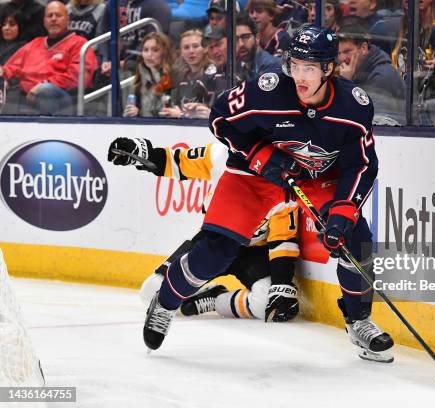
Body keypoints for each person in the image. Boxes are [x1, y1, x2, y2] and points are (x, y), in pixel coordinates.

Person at [143, 24, 394, 363]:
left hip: (316, 179)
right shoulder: (268, 90)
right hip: (254, 175)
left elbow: (361, 165)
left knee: (355, 239)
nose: (300, 76)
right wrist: (260, 156)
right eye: (295, 65)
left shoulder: (353, 107)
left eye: (309, 68)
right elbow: (220, 118)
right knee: (217, 251)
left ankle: (358, 320)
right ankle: (166, 302)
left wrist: (344, 210)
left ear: (329, 69)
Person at [107, 137, 301, 322]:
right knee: (151, 292)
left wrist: (281, 283)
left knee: (266, 304)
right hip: (213, 243)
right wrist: (144, 154)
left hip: (253, 251)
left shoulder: (282, 177)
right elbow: (177, 162)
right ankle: (195, 295)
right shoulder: (219, 155)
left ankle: (217, 299)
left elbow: (282, 240)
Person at [0, 1, 98, 115]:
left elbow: (79, 77)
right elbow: (11, 68)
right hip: (25, 97)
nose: (53, 19)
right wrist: (3, 71)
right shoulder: (35, 43)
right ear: (44, 22)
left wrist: (44, 84)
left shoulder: (79, 44)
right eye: (49, 16)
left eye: (58, 15)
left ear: (68, 20)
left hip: (62, 99)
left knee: (45, 90)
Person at [337, 17, 405, 123]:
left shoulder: (382, 76)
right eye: (339, 53)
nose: (342, 59)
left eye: (347, 51)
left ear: (364, 48)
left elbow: (366, 120)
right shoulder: (354, 72)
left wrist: (345, 84)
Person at [160, 29, 216, 119]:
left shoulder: (214, 74)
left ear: (205, 48)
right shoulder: (179, 77)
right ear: (181, 53)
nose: (191, 51)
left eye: (195, 46)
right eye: (186, 47)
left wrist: (180, 115)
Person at [123, 32, 174, 118]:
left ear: (164, 53)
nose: (149, 55)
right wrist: (134, 113)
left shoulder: (173, 78)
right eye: (145, 50)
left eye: (155, 50)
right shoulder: (140, 79)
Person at [234, 13, 280, 82]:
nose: (241, 44)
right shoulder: (243, 67)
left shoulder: (269, 66)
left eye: (245, 37)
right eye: (236, 39)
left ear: (257, 38)